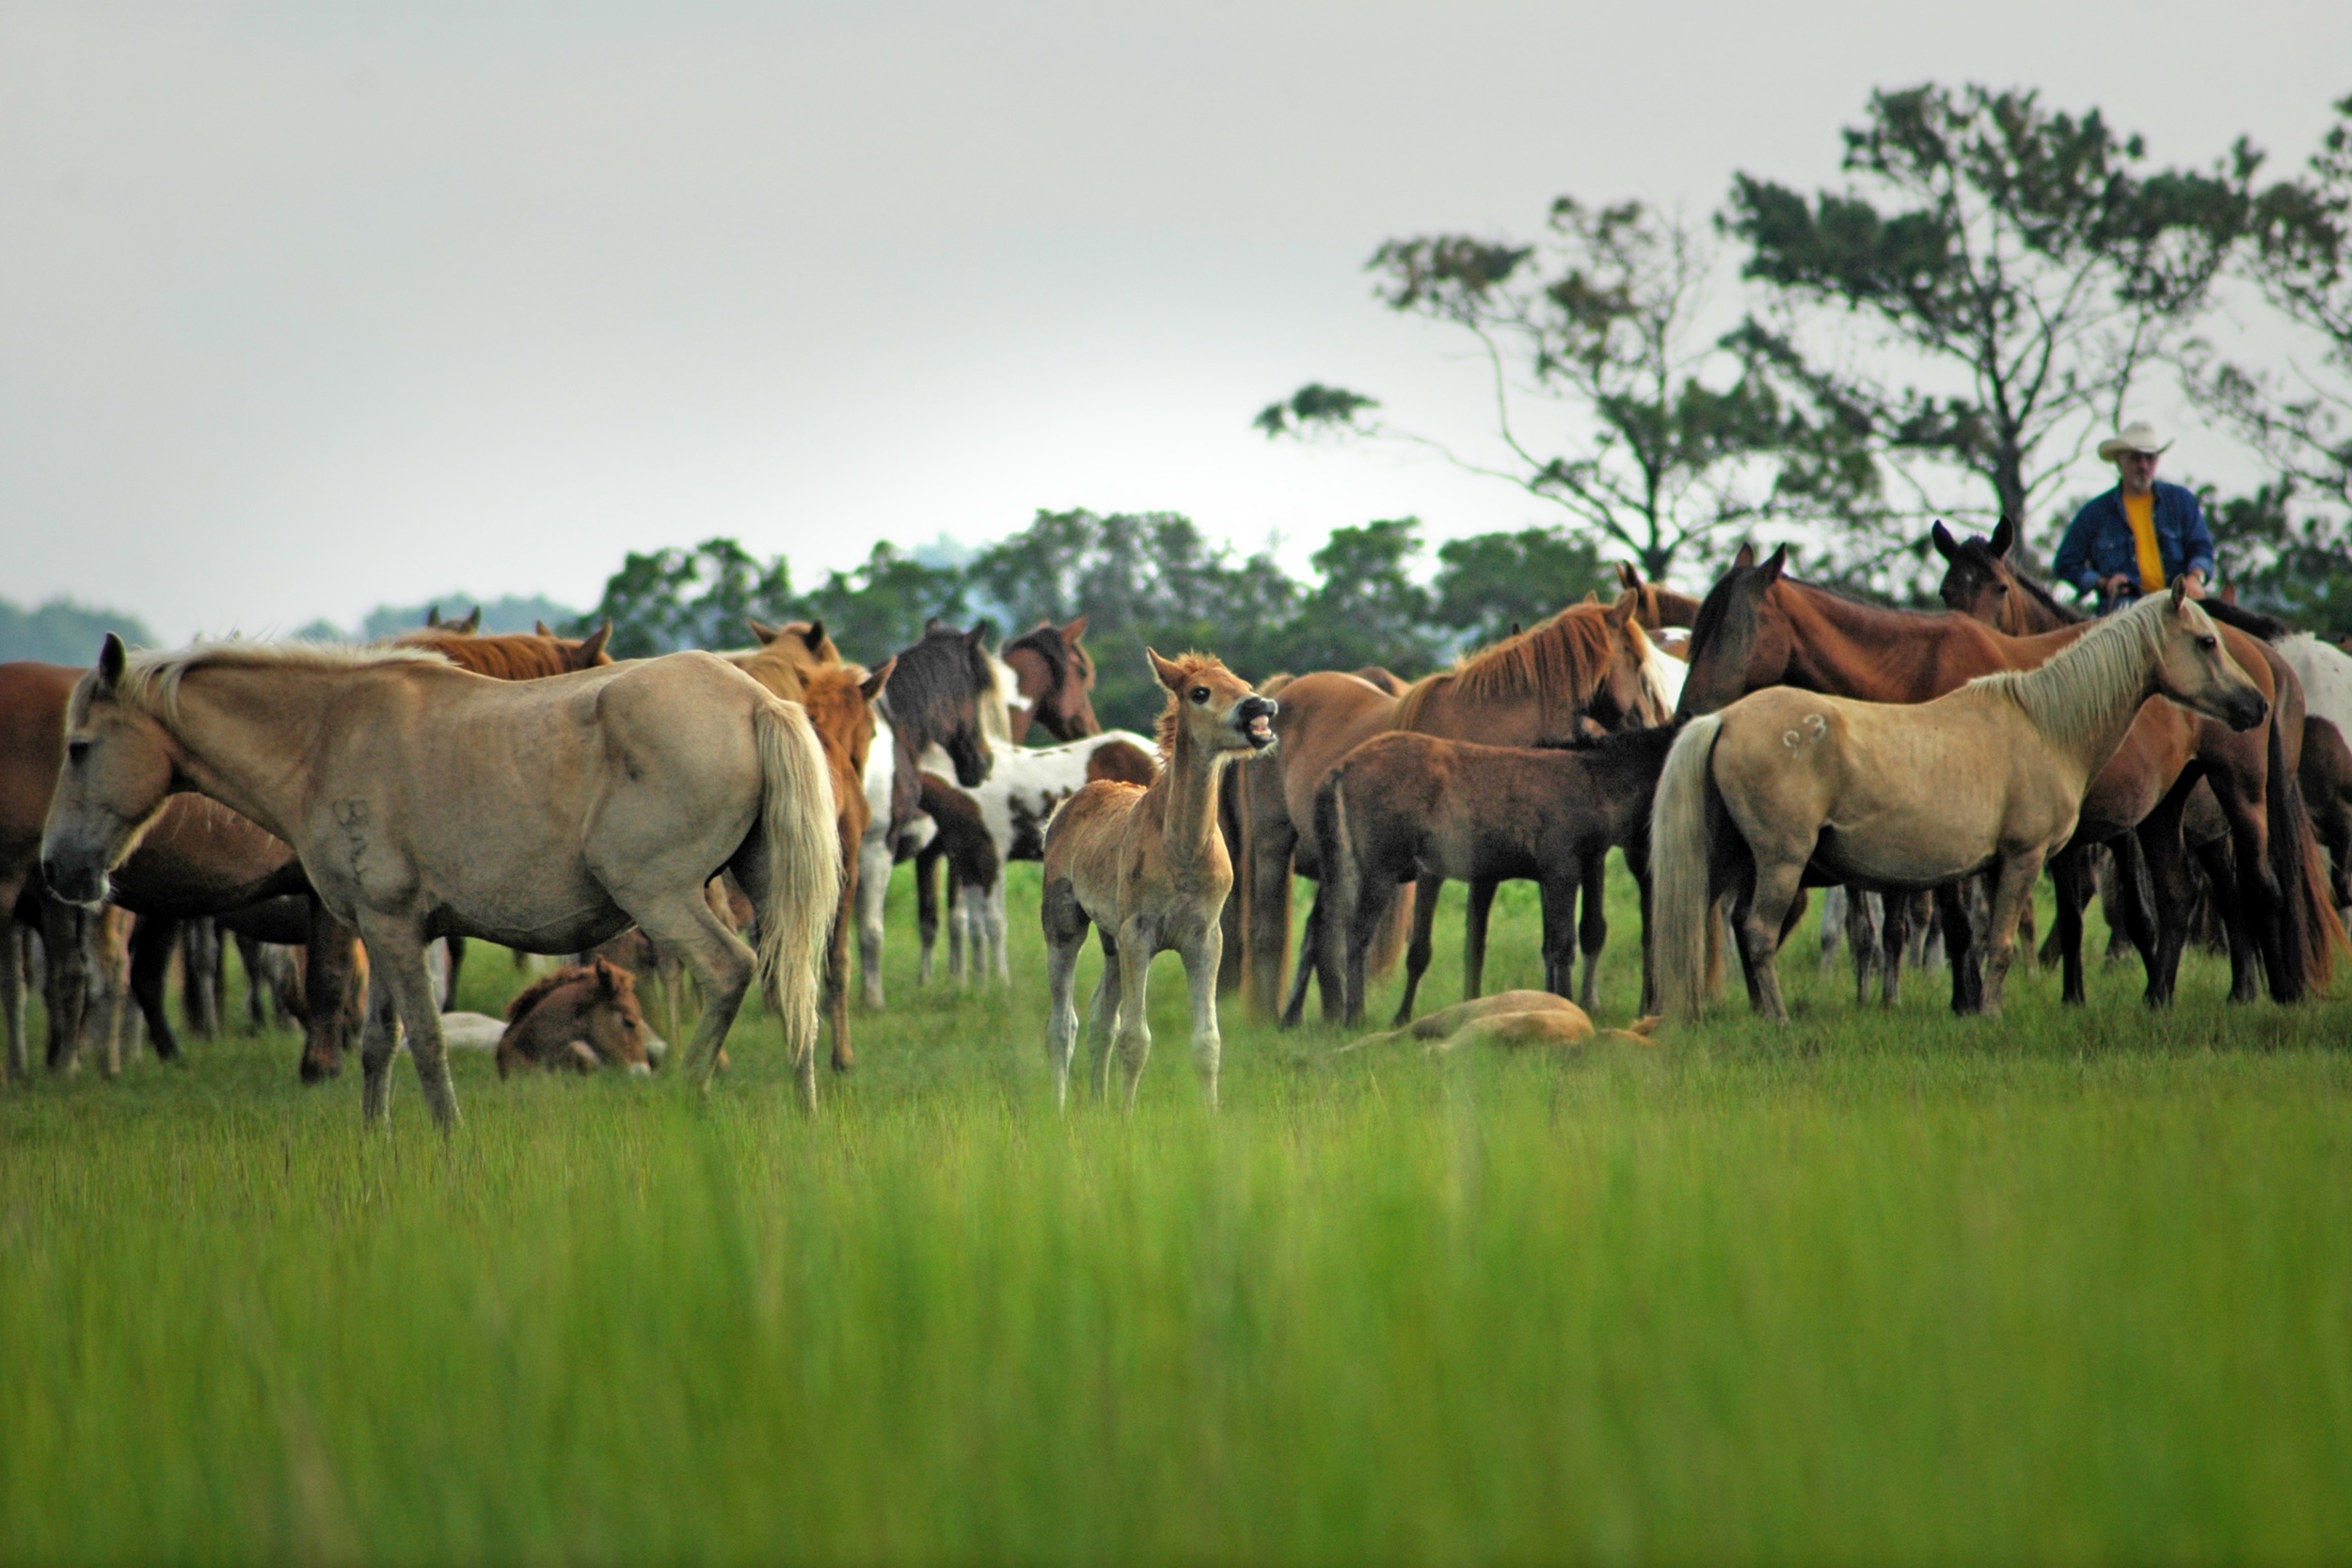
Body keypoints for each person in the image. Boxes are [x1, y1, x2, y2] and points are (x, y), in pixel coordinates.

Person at [2053, 420, 2215, 612]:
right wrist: (2104, 583)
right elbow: (2065, 563)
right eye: (2135, 458)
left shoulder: (2181, 501)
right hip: (2123, 611)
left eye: (2150, 458)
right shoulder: (2095, 513)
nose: (2143, 465)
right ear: (2119, 461)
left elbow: (2202, 547)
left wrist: (2195, 578)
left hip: (2178, 604)